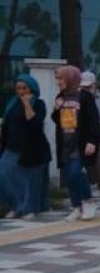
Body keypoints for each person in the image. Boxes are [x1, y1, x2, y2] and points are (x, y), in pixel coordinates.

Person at [51, 66, 100, 221]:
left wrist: (92, 141)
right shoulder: (61, 97)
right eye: (57, 79)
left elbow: (94, 121)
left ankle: (88, 201)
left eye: (61, 79)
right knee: (70, 176)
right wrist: (56, 109)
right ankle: (76, 207)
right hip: (65, 143)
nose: (59, 82)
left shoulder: (85, 97)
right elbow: (57, 120)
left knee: (75, 173)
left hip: (79, 143)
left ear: (70, 79)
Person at [0, 75, 51, 220]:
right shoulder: (12, 103)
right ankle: (16, 205)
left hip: (32, 148)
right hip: (11, 146)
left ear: (32, 89)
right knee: (4, 173)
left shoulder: (39, 104)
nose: (21, 92)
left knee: (30, 180)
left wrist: (27, 104)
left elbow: (34, 123)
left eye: (24, 88)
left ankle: (29, 209)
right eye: (18, 88)